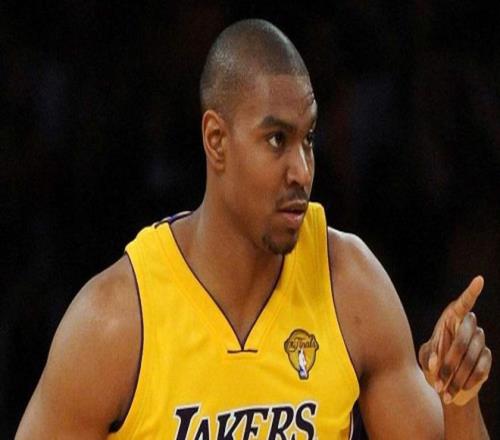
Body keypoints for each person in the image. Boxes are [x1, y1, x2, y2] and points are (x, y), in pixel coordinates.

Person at [16, 19, 491, 439]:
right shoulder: (116, 322)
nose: (301, 170)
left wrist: (460, 396)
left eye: (308, 138)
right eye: (277, 139)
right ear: (216, 140)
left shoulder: (349, 285)